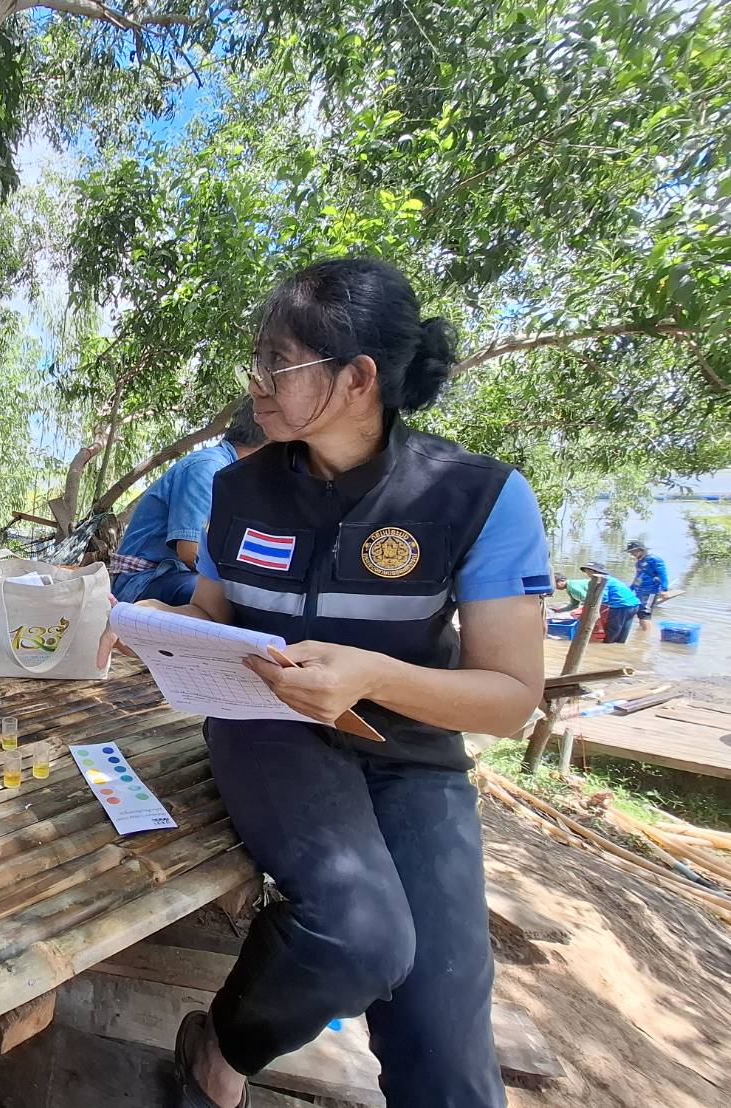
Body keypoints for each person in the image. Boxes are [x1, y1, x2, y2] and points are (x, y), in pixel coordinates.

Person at [111, 258, 552, 1108]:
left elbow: (508, 697)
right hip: (266, 726)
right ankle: (222, 1050)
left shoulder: (480, 497)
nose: (256, 384)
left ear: (358, 379)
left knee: (445, 1045)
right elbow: (213, 618)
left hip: (410, 751)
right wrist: (144, 637)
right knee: (359, 935)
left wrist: (375, 673)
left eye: (277, 363)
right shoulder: (238, 487)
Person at [110, 403, 267, 605]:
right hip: (147, 581)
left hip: (178, 576)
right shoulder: (209, 468)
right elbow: (191, 552)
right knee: (228, 601)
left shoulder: (238, 480)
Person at [580, 561, 641, 644]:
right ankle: (619, 646)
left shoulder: (601, 580)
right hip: (634, 604)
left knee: (612, 629)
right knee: (623, 630)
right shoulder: (610, 579)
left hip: (620, 605)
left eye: (589, 571)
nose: (587, 573)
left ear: (596, 572)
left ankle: (607, 646)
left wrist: (590, 607)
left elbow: (603, 598)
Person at [626, 540, 670, 626]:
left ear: (641, 550)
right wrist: (631, 588)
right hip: (640, 590)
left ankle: (645, 634)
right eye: (631, 552)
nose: (632, 553)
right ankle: (641, 634)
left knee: (645, 612)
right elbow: (639, 576)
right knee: (639, 611)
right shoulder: (639, 562)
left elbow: (662, 574)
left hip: (651, 591)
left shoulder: (654, 559)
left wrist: (664, 589)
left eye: (634, 551)